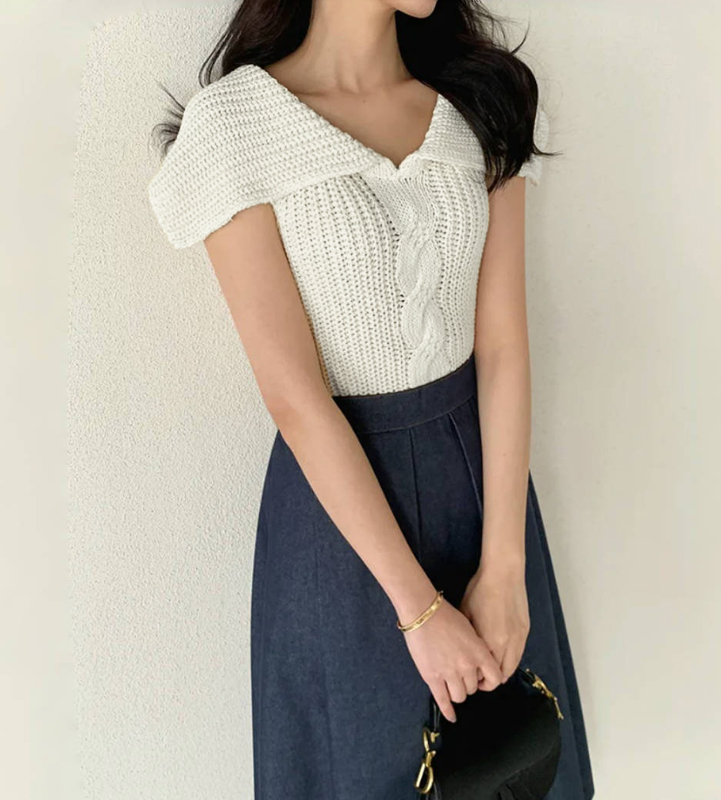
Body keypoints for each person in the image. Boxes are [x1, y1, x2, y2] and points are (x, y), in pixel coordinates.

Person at [147, 1, 594, 798]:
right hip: (339, 523)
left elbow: (502, 347)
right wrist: (419, 612)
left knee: (512, 761)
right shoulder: (236, 128)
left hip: (484, 491)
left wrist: (505, 566)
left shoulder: (484, 104)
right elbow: (294, 396)